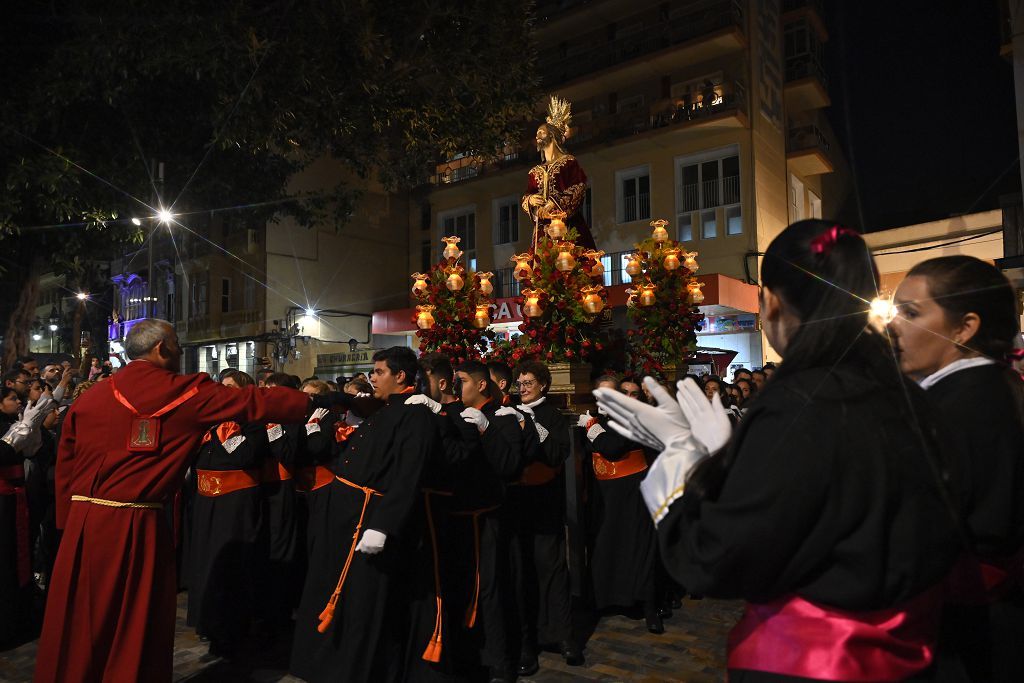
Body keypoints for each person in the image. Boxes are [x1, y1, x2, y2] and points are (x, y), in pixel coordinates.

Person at [596, 220, 962, 682]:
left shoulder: (800, 403)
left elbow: (716, 559)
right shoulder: (905, 393)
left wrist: (679, 459)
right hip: (910, 652)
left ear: (769, 302)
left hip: (817, 659)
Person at [33, 319, 312, 683]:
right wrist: (307, 400)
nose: (181, 352)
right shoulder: (184, 392)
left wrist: (69, 523)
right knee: (133, 618)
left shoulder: (92, 396)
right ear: (162, 349)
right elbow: (257, 402)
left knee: (81, 616)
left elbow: (65, 464)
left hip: (83, 524)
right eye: (178, 345)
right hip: (134, 523)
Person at [889, 255, 1024, 681]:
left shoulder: (956, 406)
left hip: (965, 637)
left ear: (964, 328)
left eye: (911, 312)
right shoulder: (995, 388)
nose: (893, 326)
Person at [291, 346, 438, 683]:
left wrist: (383, 526)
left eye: (379, 371)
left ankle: (354, 670)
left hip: (367, 518)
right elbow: (340, 403)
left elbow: (408, 474)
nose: (373, 377)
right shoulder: (385, 407)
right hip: (346, 514)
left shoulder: (415, 414)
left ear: (400, 376)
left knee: (360, 602)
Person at [186, 369, 272, 658]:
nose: (223, 392)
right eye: (220, 387)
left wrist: (228, 434)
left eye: (230, 387)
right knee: (204, 562)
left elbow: (247, 457)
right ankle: (206, 621)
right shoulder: (207, 422)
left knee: (231, 565)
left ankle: (231, 627)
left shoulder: (253, 423)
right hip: (205, 501)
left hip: (234, 502)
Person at [507, 360, 579, 675]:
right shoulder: (509, 412)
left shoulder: (553, 416)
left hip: (546, 501)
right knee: (522, 573)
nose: (522, 388)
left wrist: (531, 426)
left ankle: (561, 636)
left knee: (552, 569)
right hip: (518, 502)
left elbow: (556, 453)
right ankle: (526, 643)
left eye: (528, 383)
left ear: (543, 386)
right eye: (519, 383)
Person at [578, 376, 661, 633]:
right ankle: (608, 600)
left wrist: (591, 426)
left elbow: (612, 447)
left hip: (633, 493)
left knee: (638, 549)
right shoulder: (602, 417)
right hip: (604, 493)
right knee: (606, 547)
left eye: (633, 393)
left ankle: (649, 607)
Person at [0, 387, 53, 645]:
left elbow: (32, 453)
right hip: (3, 501)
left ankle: (17, 618)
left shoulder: (10, 424)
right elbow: (3, 454)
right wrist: (22, 428)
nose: (18, 401)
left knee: (17, 558)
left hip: (14, 500)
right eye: (12, 398)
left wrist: (30, 427)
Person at [521, 96, 595, 250]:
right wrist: (530, 200)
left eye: (541, 132)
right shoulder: (535, 171)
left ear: (552, 136)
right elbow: (526, 195)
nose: (537, 136)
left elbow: (578, 187)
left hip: (566, 225)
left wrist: (552, 204)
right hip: (542, 230)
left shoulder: (568, 162)